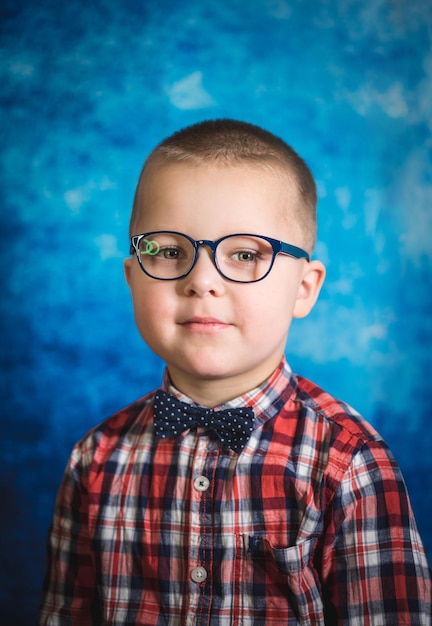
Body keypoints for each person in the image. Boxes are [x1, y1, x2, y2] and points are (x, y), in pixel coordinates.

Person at [38, 119, 431, 625]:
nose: (202, 281)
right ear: (133, 277)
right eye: (170, 251)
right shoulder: (94, 460)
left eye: (245, 254)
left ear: (304, 289)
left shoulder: (350, 464)